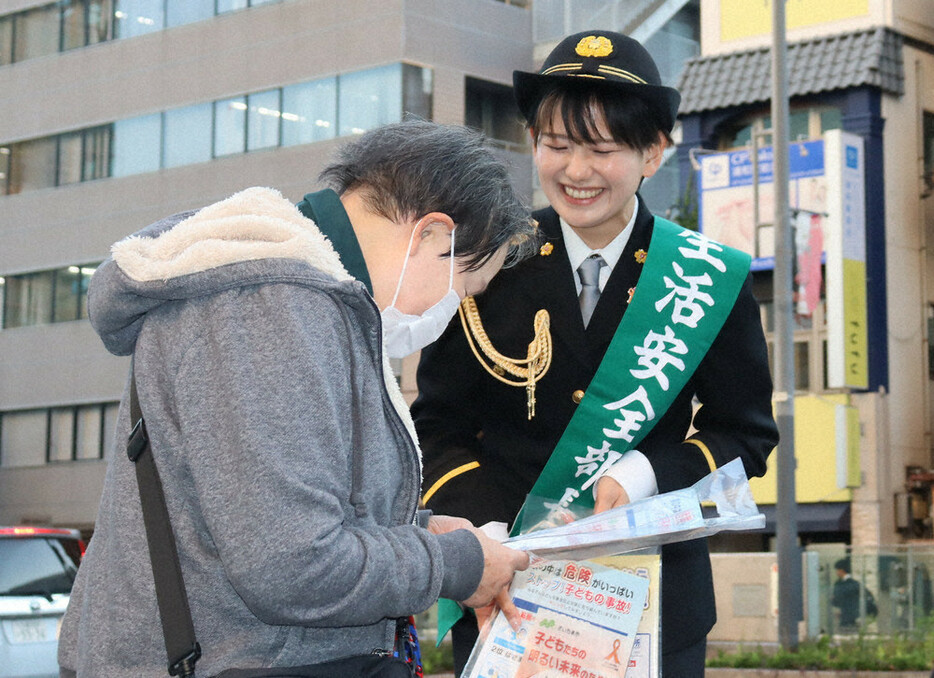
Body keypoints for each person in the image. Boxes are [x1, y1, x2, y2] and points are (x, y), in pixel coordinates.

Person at [57, 120, 534, 677]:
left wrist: (419, 531)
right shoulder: (273, 309)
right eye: (465, 285)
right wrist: (458, 564)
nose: (452, 311)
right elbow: (292, 565)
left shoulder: (303, 304)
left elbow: (276, 517)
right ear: (430, 234)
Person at [412, 30, 779, 677]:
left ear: (653, 152)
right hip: (509, 591)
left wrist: (644, 472)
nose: (575, 172)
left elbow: (745, 436)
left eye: (601, 149)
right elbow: (437, 426)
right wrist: (483, 533)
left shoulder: (705, 278)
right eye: (556, 145)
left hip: (652, 604)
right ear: (532, 144)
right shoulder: (485, 262)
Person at [832, 558, 876, 632]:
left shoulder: (840, 584)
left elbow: (836, 600)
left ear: (841, 570)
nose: (836, 572)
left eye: (837, 570)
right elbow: (869, 597)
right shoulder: (855, 584)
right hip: (854, 616)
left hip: (846, 618)